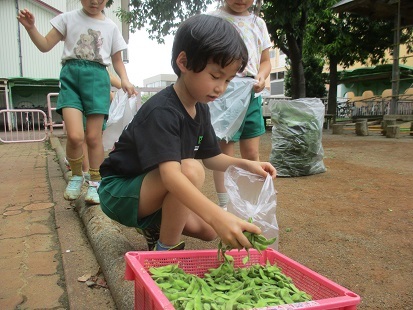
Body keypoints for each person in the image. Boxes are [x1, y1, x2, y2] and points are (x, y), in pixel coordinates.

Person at [98, 14, 277, 251]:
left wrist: (246, 164)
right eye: (215, 76)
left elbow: (212, 158)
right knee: (190, 169)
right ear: (183, 62)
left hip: (149, 189)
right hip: (118, 192)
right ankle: (164, 253)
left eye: (228, 80)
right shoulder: (162, 111)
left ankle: (153, 225)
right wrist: (217, 214)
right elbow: (172, 176)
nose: (220, 88)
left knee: (209, 230)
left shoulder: (200, 108)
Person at [17, 1, 137, 204]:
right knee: (74, 136)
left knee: (93, 137)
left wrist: (124, 80)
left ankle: (95, 182)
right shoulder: (67, 19)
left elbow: (117, 60)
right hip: (71, 78)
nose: (95, 1)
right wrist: (31, 29)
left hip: (98, 80)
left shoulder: (111, 27)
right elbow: (45, 45)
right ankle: (76, 176)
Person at [208, 0, 272, 207]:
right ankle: (225, 205)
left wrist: (262, 76)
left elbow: (265, 61)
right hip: (225, 92)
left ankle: (252, 204)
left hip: (252, 91)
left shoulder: (259, 23)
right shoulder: (213, 19)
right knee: (224, 152)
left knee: (252, 153)